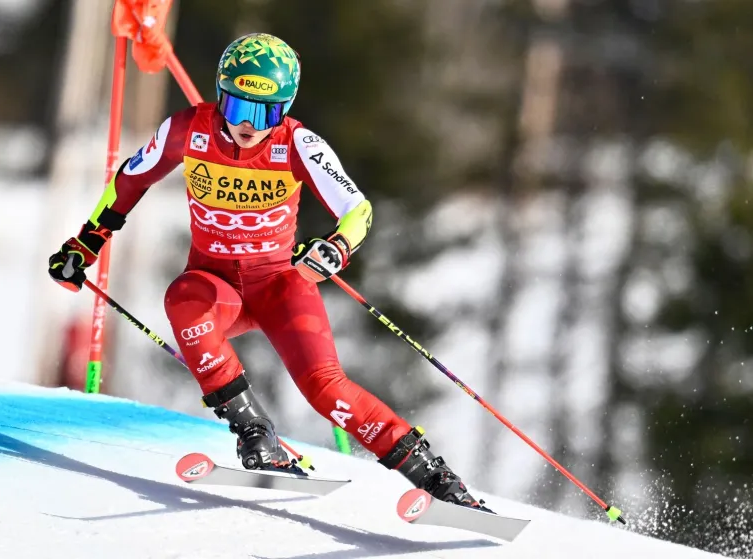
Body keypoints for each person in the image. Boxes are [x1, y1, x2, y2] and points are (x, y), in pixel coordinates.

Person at [48, 33, 488, 511]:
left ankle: (440, 484)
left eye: (266, 112)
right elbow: (130, 180)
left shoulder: (299, 142)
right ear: (220, 95)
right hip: (218, 289)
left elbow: (356, 210)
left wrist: (337, 247)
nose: (249, 126)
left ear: (286, 109)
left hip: (280, 286)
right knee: (183, 299)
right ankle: (257, 435)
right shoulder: (186, 130)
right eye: (238, 108)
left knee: (327, 391)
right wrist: (86, 242)